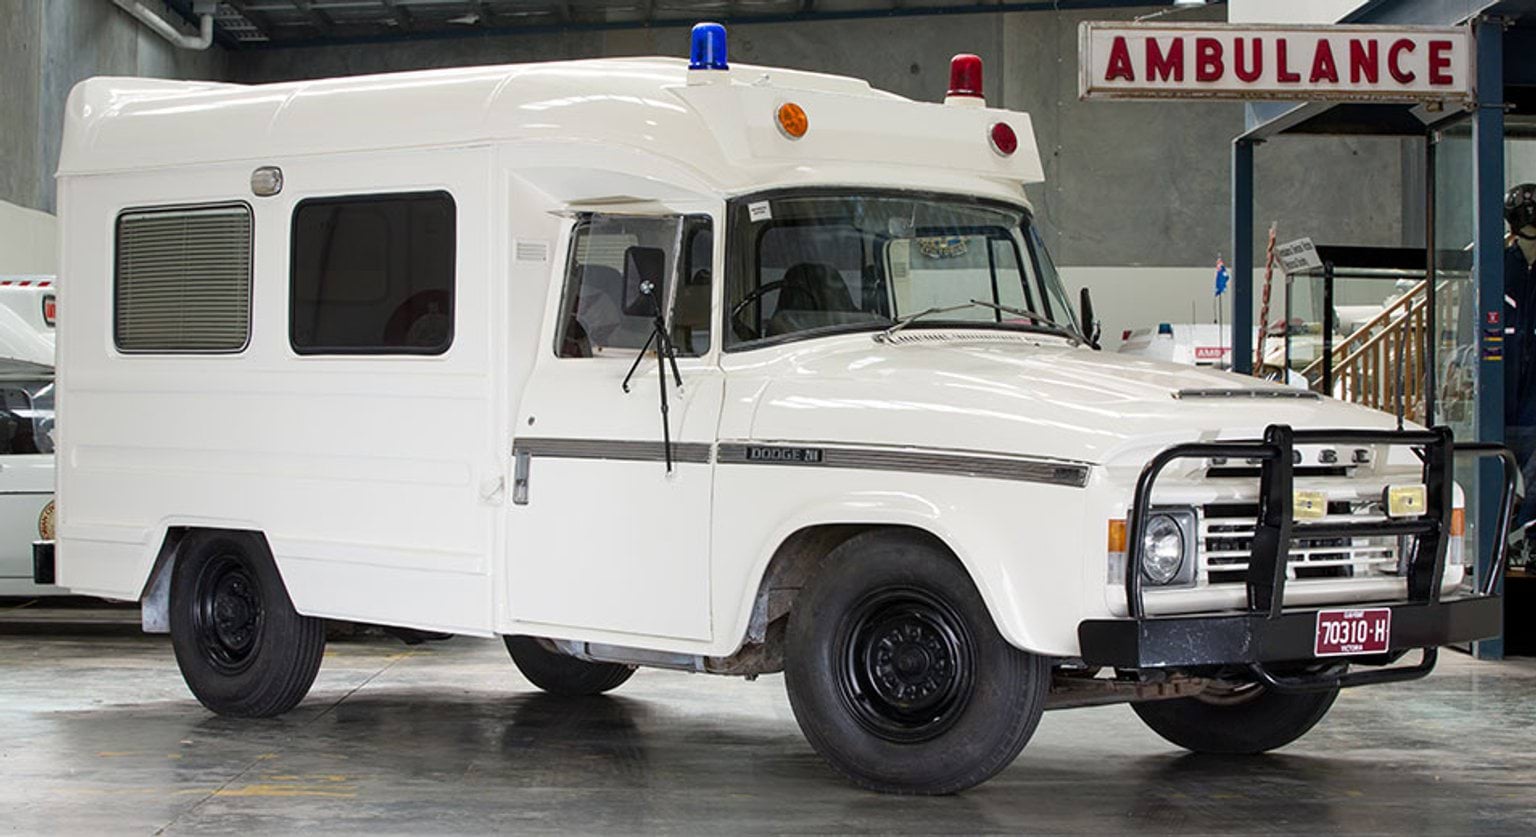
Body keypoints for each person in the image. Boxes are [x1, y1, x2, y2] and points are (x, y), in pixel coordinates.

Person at [1505, 183, 1536, 559]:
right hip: (1503, 396)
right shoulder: (1498, 267)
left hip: (1532, 402)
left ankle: (1523, 535)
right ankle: (1504, 539)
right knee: (1499, 477)